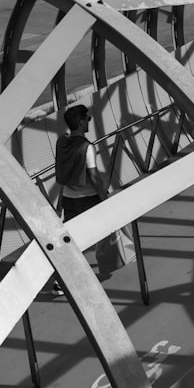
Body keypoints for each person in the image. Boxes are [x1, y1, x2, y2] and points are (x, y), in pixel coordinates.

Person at [51, 104, 109, 296]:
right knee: (102, 232)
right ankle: (104, 265)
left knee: (74, 242)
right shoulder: (87, 147)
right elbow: (93, 177)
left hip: (69, 199)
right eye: (88, 119)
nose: (89, 122)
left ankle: (62, 280)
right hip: (87, 199)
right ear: (81, 121)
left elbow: (62, 172)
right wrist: (105, 198)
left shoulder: (62, 143)